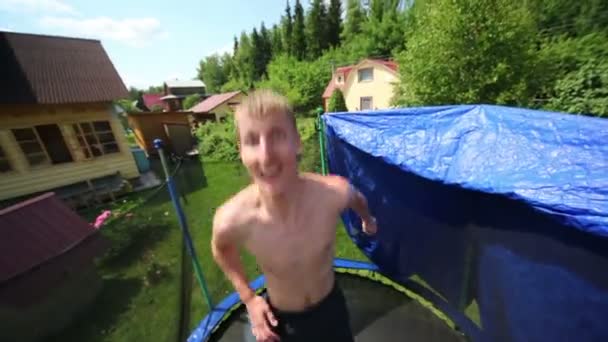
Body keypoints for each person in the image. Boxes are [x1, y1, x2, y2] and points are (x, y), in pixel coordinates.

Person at [211, 90, 377, 342]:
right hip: (282, 322)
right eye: (252, 140)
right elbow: (220, 248)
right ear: (241, 152)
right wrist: (249, 298)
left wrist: (367, 219)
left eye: (277, 136)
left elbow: (357, 198)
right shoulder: (233, 220)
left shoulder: (333, 193)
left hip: (331, 310)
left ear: (297, 142)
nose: (266, 156)